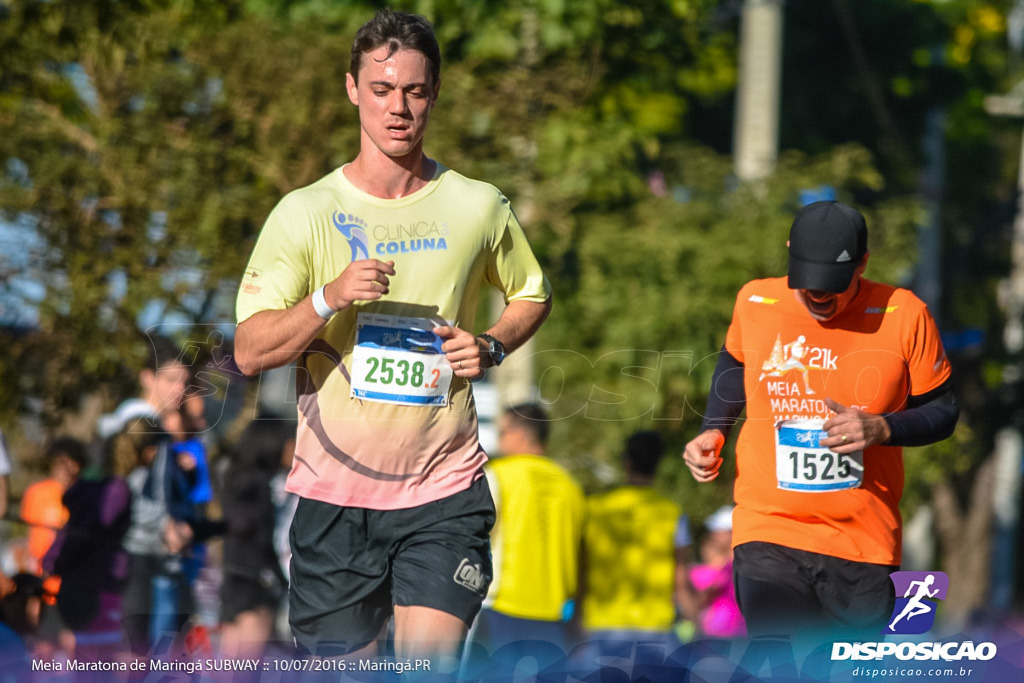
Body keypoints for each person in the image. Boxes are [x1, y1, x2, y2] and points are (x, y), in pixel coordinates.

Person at [232, 9, 552, 660]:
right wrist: (328, 297)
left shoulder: (477, 205)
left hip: (443, 489)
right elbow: (249, 349)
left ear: (434, 92)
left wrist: (491, 344)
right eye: (381, 89)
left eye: (413, 89)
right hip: (333, 496)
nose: (397, 107)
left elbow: (532, 293)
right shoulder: (306, 213)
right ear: (352, 88)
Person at [682, 200, 958, 639]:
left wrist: (881, 428)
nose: (818, 294)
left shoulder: (904, 314)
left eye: (832, 283)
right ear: (790, 252)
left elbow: (943, 412)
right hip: (768, 527)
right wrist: (712, 428)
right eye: (807, 281)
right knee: (775, 661)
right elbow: (734, 365)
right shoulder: (756, 300)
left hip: (861, 542)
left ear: (863, 263)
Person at [468, 403, 584, 657]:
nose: (499, 440)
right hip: (554, 612)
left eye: (502, 432)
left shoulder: (497, 475)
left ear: (520, 435)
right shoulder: (570, 486)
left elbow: (473, 534)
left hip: (501, 605)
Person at [577, 431, 694, 657]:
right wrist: (697, 624)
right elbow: (681, 580)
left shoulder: (594, 508)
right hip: (655, 628)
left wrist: (575, 619)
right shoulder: (673, 514)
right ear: (657, 465)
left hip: (602, 625)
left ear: (626, 463)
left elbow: (582, 571)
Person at [43, 429, 135, 660]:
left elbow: (75, 540)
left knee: (94, 661)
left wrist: (54, 561)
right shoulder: (98, 495)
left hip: (95, 591)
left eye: (59, 464)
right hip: (89, 592)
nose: (56, 472)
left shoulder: (103, 493)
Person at [218, 418, 294, 659]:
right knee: (246, 667)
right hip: (256, 584)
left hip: (235, 578)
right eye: (290, 444)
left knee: (230, 666)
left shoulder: (235, 478)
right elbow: (263, 538)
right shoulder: (260, 487)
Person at [20, 437, 87, 577]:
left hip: (71, 575)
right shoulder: (36, 492)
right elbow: (29, 535)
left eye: (71, 463)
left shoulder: (85, 496)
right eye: (60, 463)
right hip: (38, 574)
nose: (65, 469)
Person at [686, 506, 745, 639]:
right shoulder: (725, 565)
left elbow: (705, 595)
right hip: (717, 631)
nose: (713, 534)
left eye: (719, 530)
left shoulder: (736, 565)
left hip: (729, 633)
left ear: (732, 532)